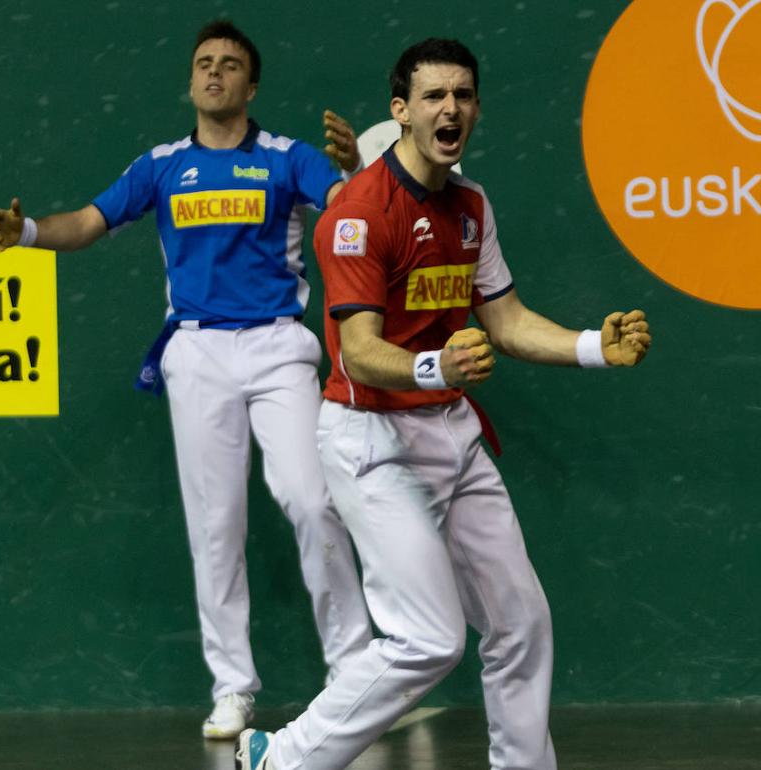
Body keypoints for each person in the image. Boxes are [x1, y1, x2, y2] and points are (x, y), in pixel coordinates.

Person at [236, 37, 652, 770]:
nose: (449, 107)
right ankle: (281, 759)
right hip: (372, 441)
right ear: (400, 111)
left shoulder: (471, 206)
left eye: (462, 95)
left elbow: (508, 320)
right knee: (428, 640)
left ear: (477, 109)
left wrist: (594, 346)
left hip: (451, 433)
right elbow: (358, 349)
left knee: (521, 621)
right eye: (433, 95)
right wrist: (437, 364)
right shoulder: (358, 215)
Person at [0, 20, 373, 740]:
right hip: (196, 354)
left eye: (230, 66)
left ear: (252, 86)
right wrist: (30, 232)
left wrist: (352, 171)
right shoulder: (161, 165)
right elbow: (91, 221)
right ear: (192, 81)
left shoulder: (287, 158)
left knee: (311, 498)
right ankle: (233, 689)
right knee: (214, 525)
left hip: (279, 347)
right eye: (204, 64)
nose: (215, 74)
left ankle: (355, 673)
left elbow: (354, 215)